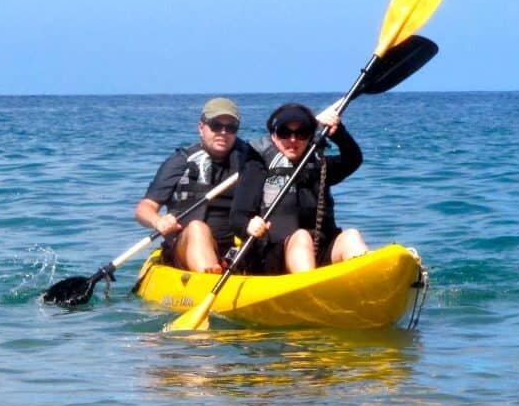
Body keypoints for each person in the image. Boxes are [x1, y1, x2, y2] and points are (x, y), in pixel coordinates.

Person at [230, 101, 368, 274]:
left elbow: (353, 159)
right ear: (274, 136)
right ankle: (311, 291)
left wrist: (339, 133)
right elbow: (237, 217)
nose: (293, 140)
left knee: (351, 236)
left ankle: (367, 285)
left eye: (301, 133)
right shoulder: (257, 165)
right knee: (302, 237)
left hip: (320, 250)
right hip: (274, 256)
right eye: (285, 133)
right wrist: (248, 225)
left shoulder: (319, 165)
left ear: (309, 136)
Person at [135, 97, 256, 273]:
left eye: (231, 128)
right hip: (184, 245)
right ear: (201, 128)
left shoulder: (249, 160)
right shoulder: (181, 161)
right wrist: (158, 221)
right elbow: (144, 209)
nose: (223, 132)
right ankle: (209, 276)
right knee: (197, 228)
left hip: (231, 248)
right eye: (216, 125)